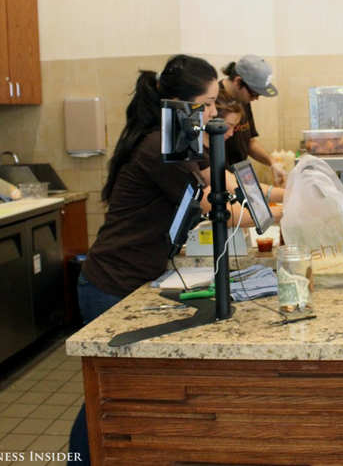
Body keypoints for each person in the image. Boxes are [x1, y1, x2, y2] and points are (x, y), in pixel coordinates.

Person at [67, 55, 282, 465]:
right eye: (208, 104)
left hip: (135, 276)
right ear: (179, 106)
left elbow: (222, 179)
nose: (215, 113)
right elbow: (210, 199)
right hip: (110, 283)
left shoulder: (176, 143)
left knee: (118, 388)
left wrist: (276, 197)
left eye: (217, 104)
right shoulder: (157, 149)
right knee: (106, 391)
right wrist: (277, 212)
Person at [220, 55, 287, 186]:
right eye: (254, 93)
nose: (256, 98)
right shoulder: (215, 103)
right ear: (238, 81)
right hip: (222, 178)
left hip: (240, 172)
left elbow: (249, 141)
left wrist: (272, 162)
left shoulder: (243, 98)